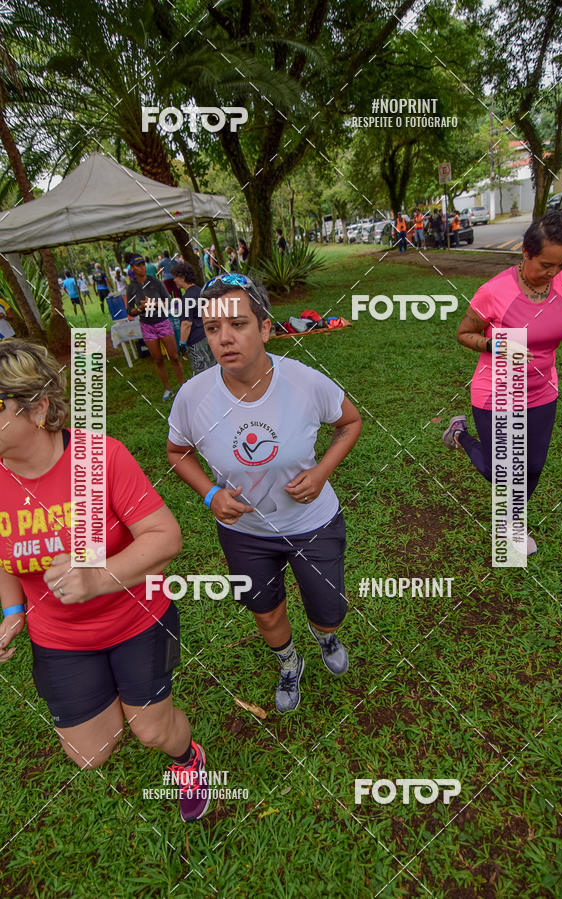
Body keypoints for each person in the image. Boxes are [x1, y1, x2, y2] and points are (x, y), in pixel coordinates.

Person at [0, 339, 210, 822]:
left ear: (38, 409)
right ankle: (120, 695)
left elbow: (166, 537)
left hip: (139, 617)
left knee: (153, 731)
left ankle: (187, 759)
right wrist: (12, 611)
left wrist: (98, 578)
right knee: (91, 753)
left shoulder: (100, 458)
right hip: (60, 638)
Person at [167, 273, 362, 713]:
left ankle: (325, 636)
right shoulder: (192, 396)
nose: (224, 339)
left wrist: (323, 471)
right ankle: (290, 663)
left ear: (266, 328)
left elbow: (350, 423)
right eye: (213, 329)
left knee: (329, 610)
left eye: (237, 324)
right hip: (245, 532)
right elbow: (177, 452)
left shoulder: (306, 382)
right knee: (266, 611)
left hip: (312, 523)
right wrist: (209, 494)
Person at [443, 211, 562, 555]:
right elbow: (464, 333)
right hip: (497, 391)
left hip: (543, 392)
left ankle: (513, 525)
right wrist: (496, 344)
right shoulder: (494, 291)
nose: (553, 274)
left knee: (532, 466)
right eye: (546, 264)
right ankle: (459, 434)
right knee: (502, 473)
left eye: (561, 265)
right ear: (526, 252)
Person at [126, 254, 184, 402]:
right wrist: (140, 308)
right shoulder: (132, 287)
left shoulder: (155, 282)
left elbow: (169, 302)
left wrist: (154, 304)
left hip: (162, 321)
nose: (142, 267)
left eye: (143, 264)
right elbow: (130, 310)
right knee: (157, 359)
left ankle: (183, 387)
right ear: (132, 268)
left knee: (174, 357)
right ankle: (168, 389)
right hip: (147, 325)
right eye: (138, 265)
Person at [171, 261, 215, 375]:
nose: (174, 280)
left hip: (196, 340)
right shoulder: (201, 291)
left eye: (175, 277)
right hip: (209, 335)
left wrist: (182, 344)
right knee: (215, 369)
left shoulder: (186, 299)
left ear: (182, 277)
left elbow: (186, 323)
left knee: (202, 374)